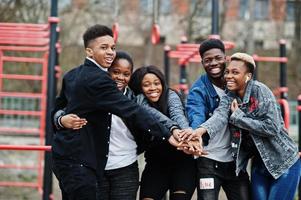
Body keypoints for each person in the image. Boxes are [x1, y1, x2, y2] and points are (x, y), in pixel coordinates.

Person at [51, 24, 185, 200]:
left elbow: (138, 110)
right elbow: (132, 111)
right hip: (78, 162)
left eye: (112, 48)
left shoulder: (76, 75)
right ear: (89, 52)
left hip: (73, 159)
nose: (110, 52)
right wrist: (168, 135)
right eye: (104, 47)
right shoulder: (98, 80)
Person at [192, 52, 300, 200]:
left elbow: (272, 127)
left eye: (235, 72)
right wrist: (200, 131)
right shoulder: (229, 96)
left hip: (284, 162)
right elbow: (220, 116)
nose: (229, 76)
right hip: (259, 165)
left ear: (248, 76)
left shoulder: (260, 91)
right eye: (228, 72)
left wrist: (238, 117)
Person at [186, 39, 250, 200]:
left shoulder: (239, 85)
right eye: (208, 60)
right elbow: (196, 114)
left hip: (236, 161)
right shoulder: (198, 90)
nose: (213, 63)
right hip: (208, 161)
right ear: (202, 63)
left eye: (217, 58)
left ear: (226, 59)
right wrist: (196, 135)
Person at [129, 65, 197, 200]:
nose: (153, 88)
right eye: (146, 85)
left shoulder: (171, 94)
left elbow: (178, 115)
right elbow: (152, 114)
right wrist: (172, 129)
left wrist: (186, 133)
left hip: (182, 162)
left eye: (156, 83)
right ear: (139, 87)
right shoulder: (139, 102)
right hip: (156, 163)